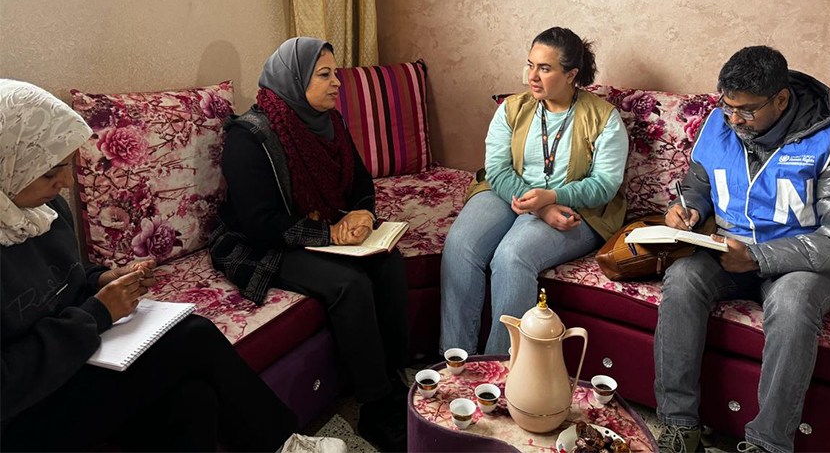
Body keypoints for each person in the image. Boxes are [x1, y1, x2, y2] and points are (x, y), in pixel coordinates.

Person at [0, 79, 296, 452]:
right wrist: (96, 315)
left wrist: (104, 279)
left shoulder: (43, 211)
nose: (66, 182)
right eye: (49, 172)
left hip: (74, 362)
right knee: (194, 336)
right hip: (21, 415)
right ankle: (287, 442)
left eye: (65, 166)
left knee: (194, 397)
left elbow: (64, 280)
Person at [653, 46, 830, 453]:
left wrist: (759, 257)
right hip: (728, 253)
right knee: (682, 278)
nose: (734, 120)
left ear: (781, 99)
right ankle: (680, 426)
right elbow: (698, 185)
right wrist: (684, 210)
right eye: (727, 106)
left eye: (747, 111)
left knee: (792, 303)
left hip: (804, 265)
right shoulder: (718, 125)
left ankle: (768, 445)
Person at [210, 37, 409, 452]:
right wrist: (331, 234)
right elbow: (259, 223)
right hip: (263, 245)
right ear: (293, 78)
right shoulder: (249, 137)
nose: (337, 82)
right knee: (348, 283)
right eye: (324, 74)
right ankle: (374, 408)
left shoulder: (329, 122)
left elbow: (359, 182)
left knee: (389, 262)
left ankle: (393, 379)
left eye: (335, 73)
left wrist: (362, 214)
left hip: (318, 229)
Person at [440, 27, 629, 355]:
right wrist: (540, 208)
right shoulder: (512, 108)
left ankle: (500, 369)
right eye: (530, 65)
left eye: (545, 68)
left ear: (571, 75)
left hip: (579, 209)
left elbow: (604, 186)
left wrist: (554, 197)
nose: (532, 76)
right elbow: (498, 169)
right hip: (508, 192)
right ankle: (455, 362)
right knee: (460, 244)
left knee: (512, 255)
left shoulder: (604, 119)